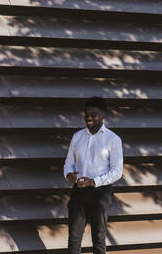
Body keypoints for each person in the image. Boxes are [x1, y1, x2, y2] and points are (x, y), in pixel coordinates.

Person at [63, 96, 123, 254]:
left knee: (98, 239)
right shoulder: (77, 137)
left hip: (101, 193)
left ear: (103, 115)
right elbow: (68, 163)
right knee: (74, 239)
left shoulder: (113, 140)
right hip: (78, 191)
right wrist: (69, 175)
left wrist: (93, 181)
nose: (88, 117)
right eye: (86, 114)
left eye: (93, 115)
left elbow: (117, 171)